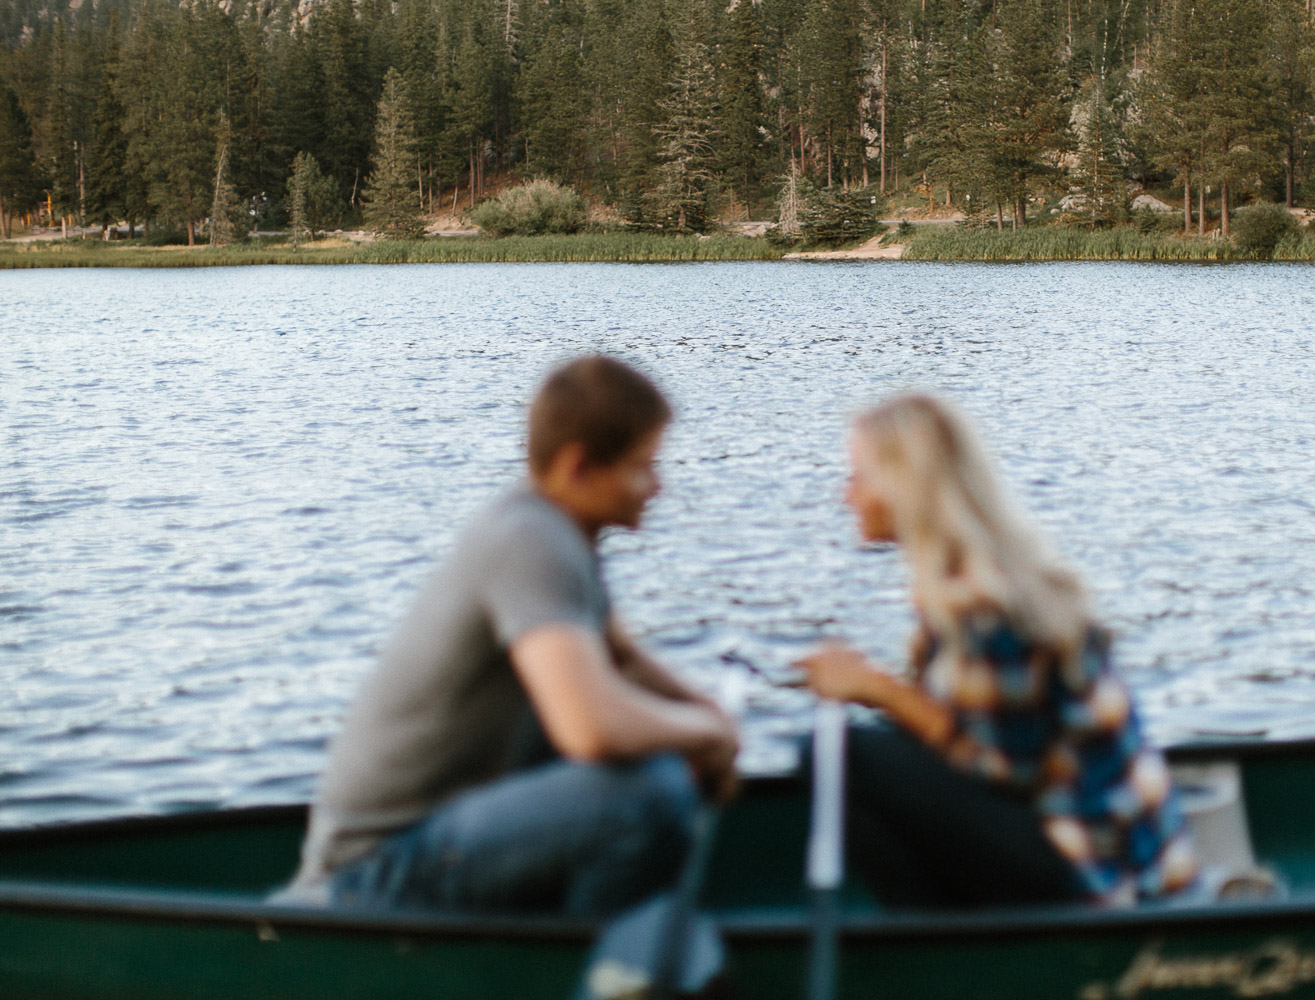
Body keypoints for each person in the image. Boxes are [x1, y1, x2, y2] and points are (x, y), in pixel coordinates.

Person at [281, 356, 739, 917]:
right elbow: (589, 730)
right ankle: (597, 970)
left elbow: (621, 660)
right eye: (642, 466)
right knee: (648, 796)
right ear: (578, 468)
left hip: (446, 830)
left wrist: (709, 718)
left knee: (656, 767)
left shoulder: (557, 530)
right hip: (374, 866)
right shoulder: (530, 541)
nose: (657, 486)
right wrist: (700, 736)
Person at [797, 394, 1197, 908]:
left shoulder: (983, 605)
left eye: (860, 477)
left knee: (836, 754)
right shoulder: (974, 578)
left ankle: (934, 943)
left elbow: (1003, 770)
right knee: (865, 752)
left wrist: (878, 690)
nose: (845, 495)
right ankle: (934, 931)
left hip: (1096, 871)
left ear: (907, 487)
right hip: (1098, 849)